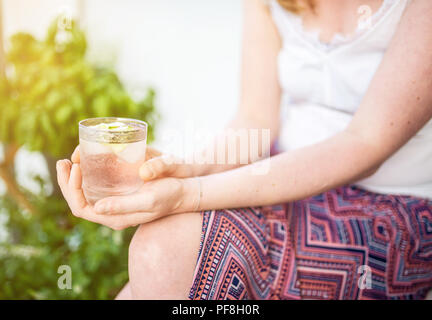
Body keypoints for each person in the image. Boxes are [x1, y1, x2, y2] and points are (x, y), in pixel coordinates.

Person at [56, 0, 432, 299]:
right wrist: (189, 168)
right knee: (158, 258)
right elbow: (255, 119)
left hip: (395, 208)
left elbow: (365, 144)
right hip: (286, 180)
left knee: (161, 253)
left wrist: (190, 193)